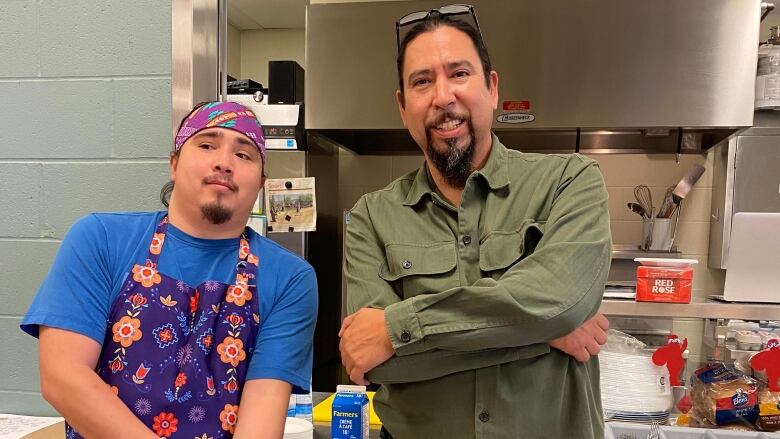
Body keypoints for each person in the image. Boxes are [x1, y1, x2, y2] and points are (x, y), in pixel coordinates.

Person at [339, 6, 611, 439]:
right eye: (421, 81)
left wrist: (397, 328)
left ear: (492, 87)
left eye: (459, 73)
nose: (443, 97)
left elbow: (562, 304)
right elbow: (377, 359)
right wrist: (545, 333)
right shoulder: (371, 216)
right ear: (402, 106)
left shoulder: (570, 181)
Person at [21, 101, 318, 439]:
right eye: (207, 145)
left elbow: (263, 412)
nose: (224, 162)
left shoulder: (290, 278)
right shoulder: (100, 239)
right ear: (174, 164)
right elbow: (63, 377)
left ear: (262, 183)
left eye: (244, 155)